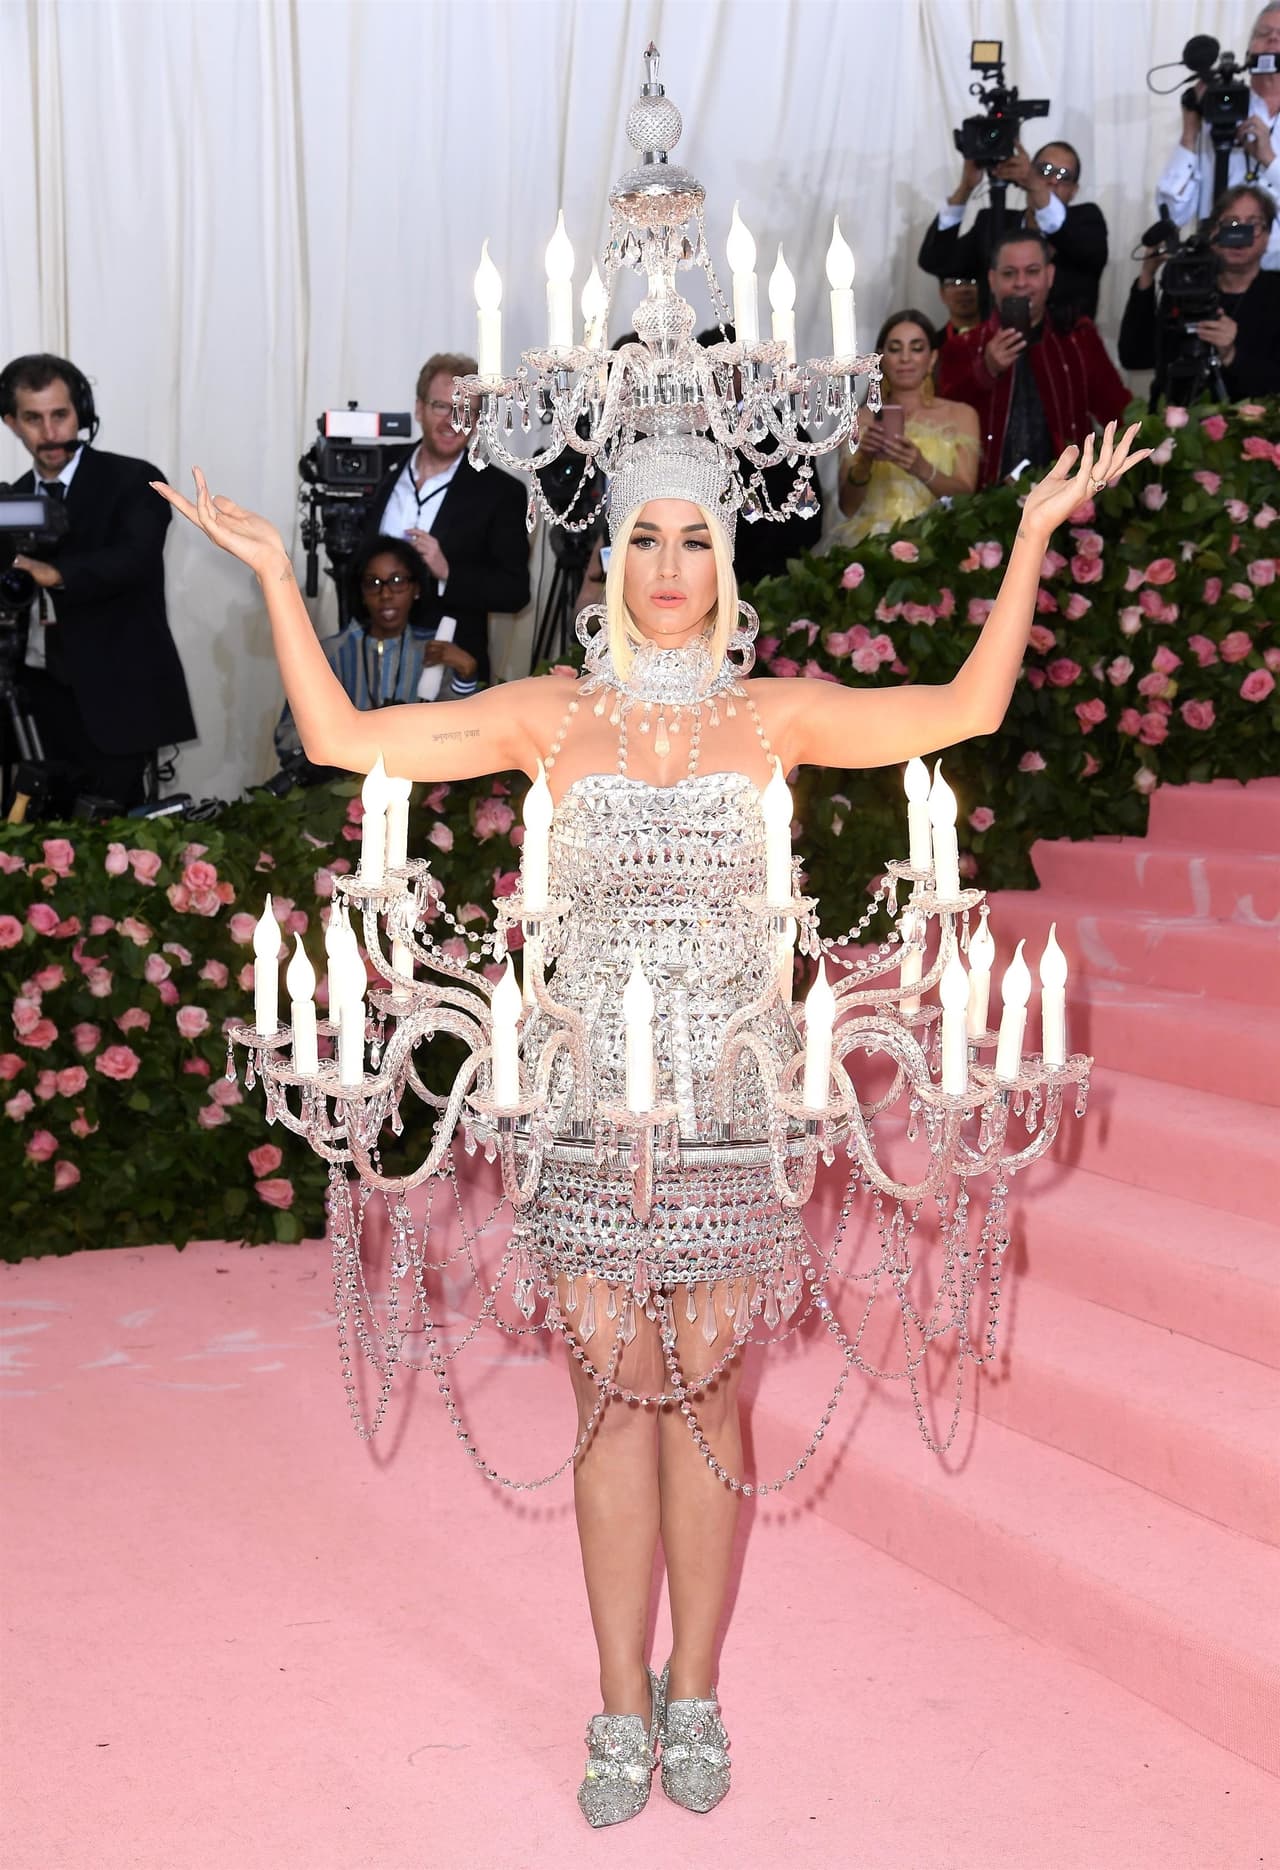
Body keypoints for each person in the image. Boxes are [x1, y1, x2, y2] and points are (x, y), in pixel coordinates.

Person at [155, 410, 1148, 1827]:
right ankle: (618, 1699)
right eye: (643, 538)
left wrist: (1034, 534)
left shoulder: (775, 715)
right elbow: (340, 735)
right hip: (580, 1111)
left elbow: (968, 707)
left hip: (734, 1110)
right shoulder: (550, 714)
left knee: (710, 1396)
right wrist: (269, 570)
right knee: (612, 1396)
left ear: (724, 561)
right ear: (607, 559)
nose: (669, 566)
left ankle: (695, 1685)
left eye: (693, 539)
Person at [1, 352, 195, 809]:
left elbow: (134, 560)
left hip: (116, 701)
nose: (50, 433)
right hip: (32, 704)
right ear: (12, 423)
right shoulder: (12, 501)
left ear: (82, 414)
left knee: (117, 836)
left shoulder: (134, 481)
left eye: (60, 416)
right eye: (33, 419)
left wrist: (53, 573)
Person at [364, 350, 531, 686]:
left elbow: (515, 593)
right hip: (369, 666)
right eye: (441, 406)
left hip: (450, 676)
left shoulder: (501, 492)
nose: (453, 421)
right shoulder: (378, 467)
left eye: (467, 411)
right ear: (419, 408)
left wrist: (447, 572)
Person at [938, 230, 1132, 487]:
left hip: (1067, 493)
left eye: (1032, 271)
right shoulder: (964, 346)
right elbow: (940, 423)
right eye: (1009, 274)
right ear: (992, 280)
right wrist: (985, 370)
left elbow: (1118, 413)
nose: (1021, 283)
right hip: (986, 496)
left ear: (1049, 276)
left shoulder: (1077, 338)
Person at [274, 534, 479, 765]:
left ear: (416, 589)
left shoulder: (436, 649)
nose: (386, 594)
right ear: (361, 592)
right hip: (342, 777)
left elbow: (460, 736)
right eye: (373, 583)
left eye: (397, 581)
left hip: (419, 777)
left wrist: (467, 674)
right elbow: (287, 738)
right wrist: (344, 741)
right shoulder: (331, 653)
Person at [827, 309, 979, 550]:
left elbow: (966, 497)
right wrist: (864, 461)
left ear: (932, 358)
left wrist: (921, 467)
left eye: (916, 348)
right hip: (869, 547)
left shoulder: (961, 415)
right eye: (895, 349)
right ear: (881, 358)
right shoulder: (857, 418)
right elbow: (848, 507)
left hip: (936, 544)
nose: (905, 358)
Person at [1119, 184, 1280, 398]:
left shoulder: (1275, 293)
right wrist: (1148, 274)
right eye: (1231, 223)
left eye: (1253, 224)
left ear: (1267, 238)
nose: (1239, 233)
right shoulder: (1187, 286)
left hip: (1255, 417)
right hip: (1180, 414)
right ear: (1213, 232)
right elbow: (1135, 356)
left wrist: (1231, 355)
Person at [918, 141, 1109, 321]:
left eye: (1064, 176)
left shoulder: (1087, 222)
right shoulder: (993, 222)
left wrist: (1036, 185)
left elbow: (1075, 243)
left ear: (1074, 190)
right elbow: (935, 261)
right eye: (1045, 170)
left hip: (1065, 343)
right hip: (997, 342)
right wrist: (965, 188)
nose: (1052, 180)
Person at [1155, 2, 1280, 272]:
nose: (1272, 39)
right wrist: (1190, 133)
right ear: (1248, 52)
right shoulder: (1218, 106)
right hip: (1219, 271)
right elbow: (1172, 215)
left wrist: (1270, 161)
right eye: (1263, 33)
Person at [937, 274, 981, 352]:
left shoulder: (997, 338)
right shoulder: (934, 345)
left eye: (972, 281)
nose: (963, 289)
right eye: (954, 283)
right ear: (942, 293)